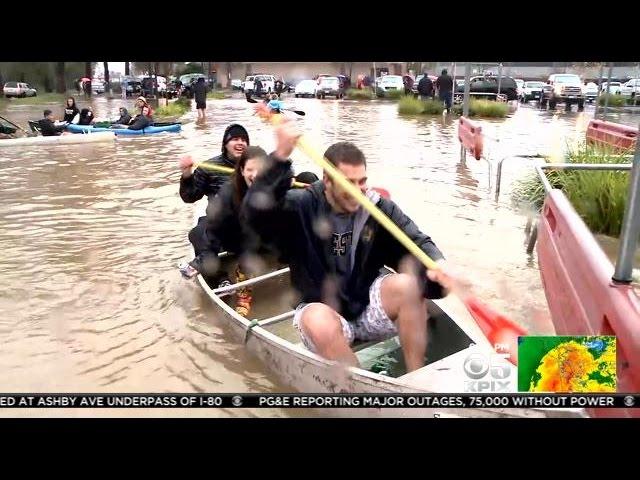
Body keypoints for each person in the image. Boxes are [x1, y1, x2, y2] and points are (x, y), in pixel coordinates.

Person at [244, 114, 459, 372]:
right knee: (318, 320)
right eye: (349, 182)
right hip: (323, 312)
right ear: (327, 181)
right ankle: (365, 395)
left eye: (362, 181)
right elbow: (254, 214)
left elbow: (416, 240)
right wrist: (279, 157)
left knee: (409, 285)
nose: (359, 191)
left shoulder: (377, 208)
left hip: (367, 306)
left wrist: (437, 265)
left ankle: (416, 378)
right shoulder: (302, 205)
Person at [178, 124, 250, 285]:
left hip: (251, 228)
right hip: (221, 229)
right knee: (197, 232)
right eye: (235, 139)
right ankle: (219, 279)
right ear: (225, 143)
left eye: (244, 140)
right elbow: (189, 196)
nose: (240, 143)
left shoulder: (255, 166)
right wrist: (187, 174)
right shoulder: (208, 168)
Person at [202, 146, 270, 317]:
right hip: (238, 238)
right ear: (241, 170)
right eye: (250, 170)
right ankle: (242, 289)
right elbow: (216, 226)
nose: (255, 175)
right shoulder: (229, 192)